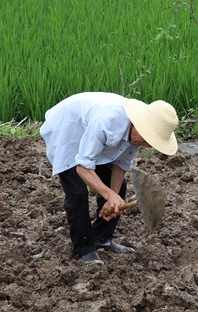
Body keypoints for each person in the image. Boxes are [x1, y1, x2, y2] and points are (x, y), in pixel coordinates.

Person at [40, 92, 179, 264]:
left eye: (152, 141)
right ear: (138, 124)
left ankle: (101, 238)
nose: (148, 144)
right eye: (148, 138)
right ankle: (83, 248)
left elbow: (120, 165)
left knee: (119, 189)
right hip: (67, 130)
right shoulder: (107, 121)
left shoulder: (137, 135)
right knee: (77, 193)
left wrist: (112, 200)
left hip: (92, 134)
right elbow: (83, 167)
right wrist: (109, 195)